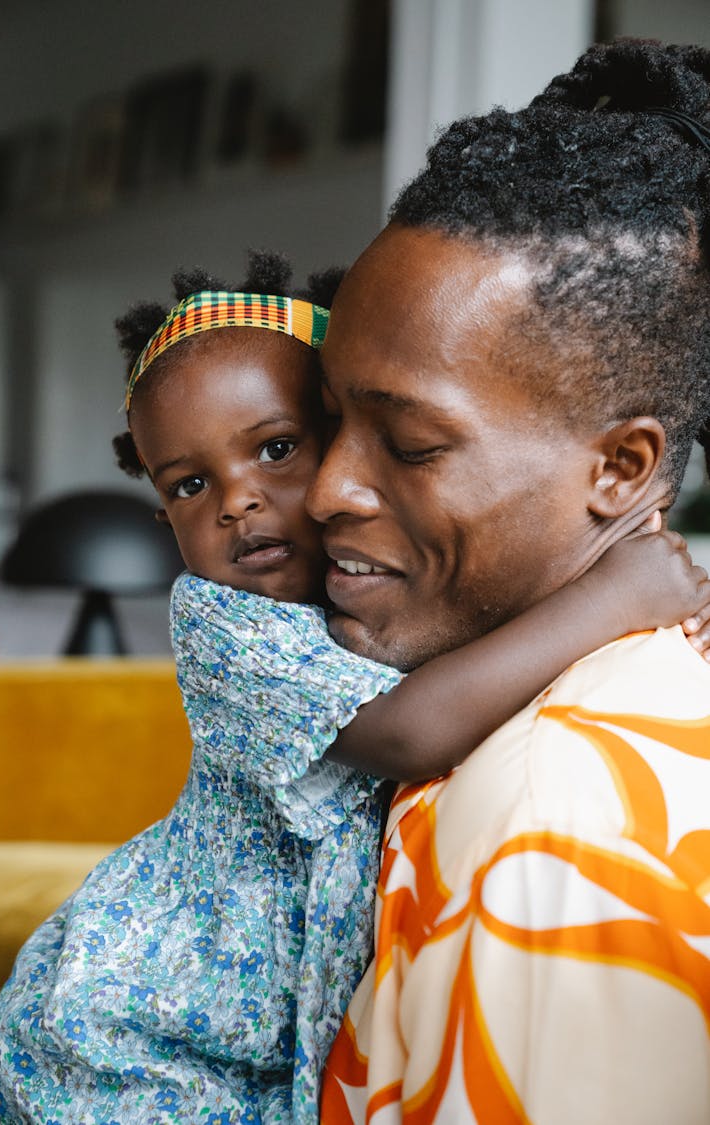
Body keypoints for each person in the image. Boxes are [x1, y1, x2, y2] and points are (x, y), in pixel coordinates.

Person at [0, 239, 709, 1125]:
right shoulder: (225, 622)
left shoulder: (372, 585)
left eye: (278, 448)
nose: (237, 501)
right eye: (191, 483)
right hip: (138, 1032)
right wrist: (615, 595)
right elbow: (404, 731)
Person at [312, 38, 710, 1124]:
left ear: (619, 468)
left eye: (410, 444)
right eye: (326, 420)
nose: (324, 492)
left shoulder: (551, 826)